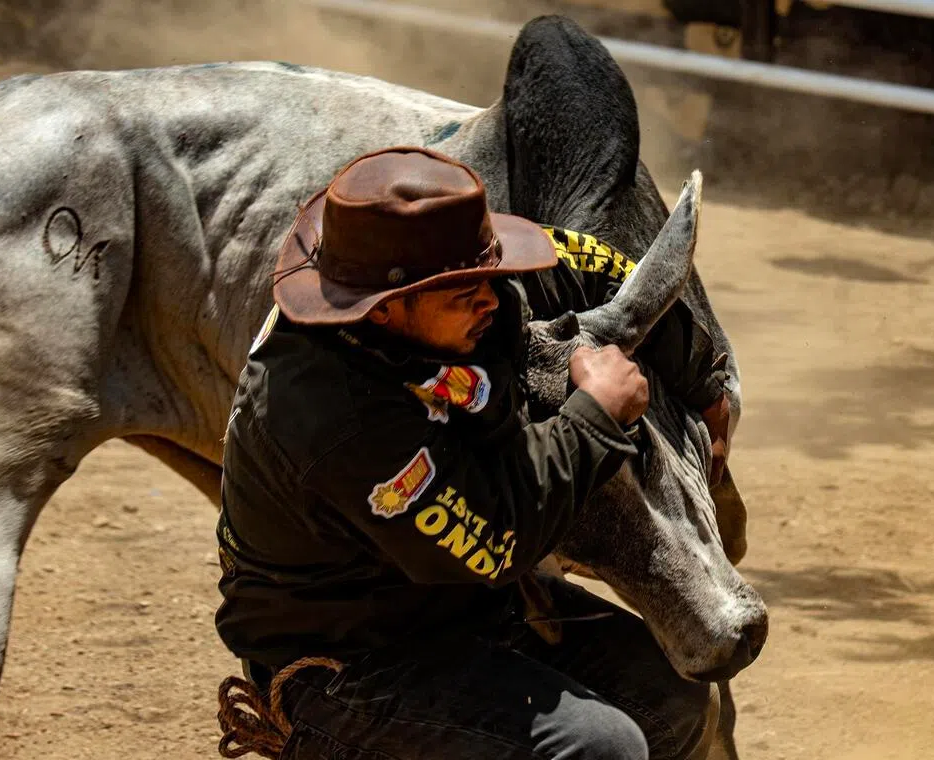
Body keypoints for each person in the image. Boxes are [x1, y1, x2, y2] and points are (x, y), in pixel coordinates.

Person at [214, 146, 731, 760]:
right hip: (350, 662)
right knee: (600, 750)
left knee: (672, 695)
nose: (493, 297)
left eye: (491, 277)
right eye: (461, 292)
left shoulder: (469, 283)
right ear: (385, 306)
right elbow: (495, 543)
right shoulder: (329, 414)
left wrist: (703, 381)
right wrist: (595, 415)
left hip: (460, 609)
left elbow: (605, 273)